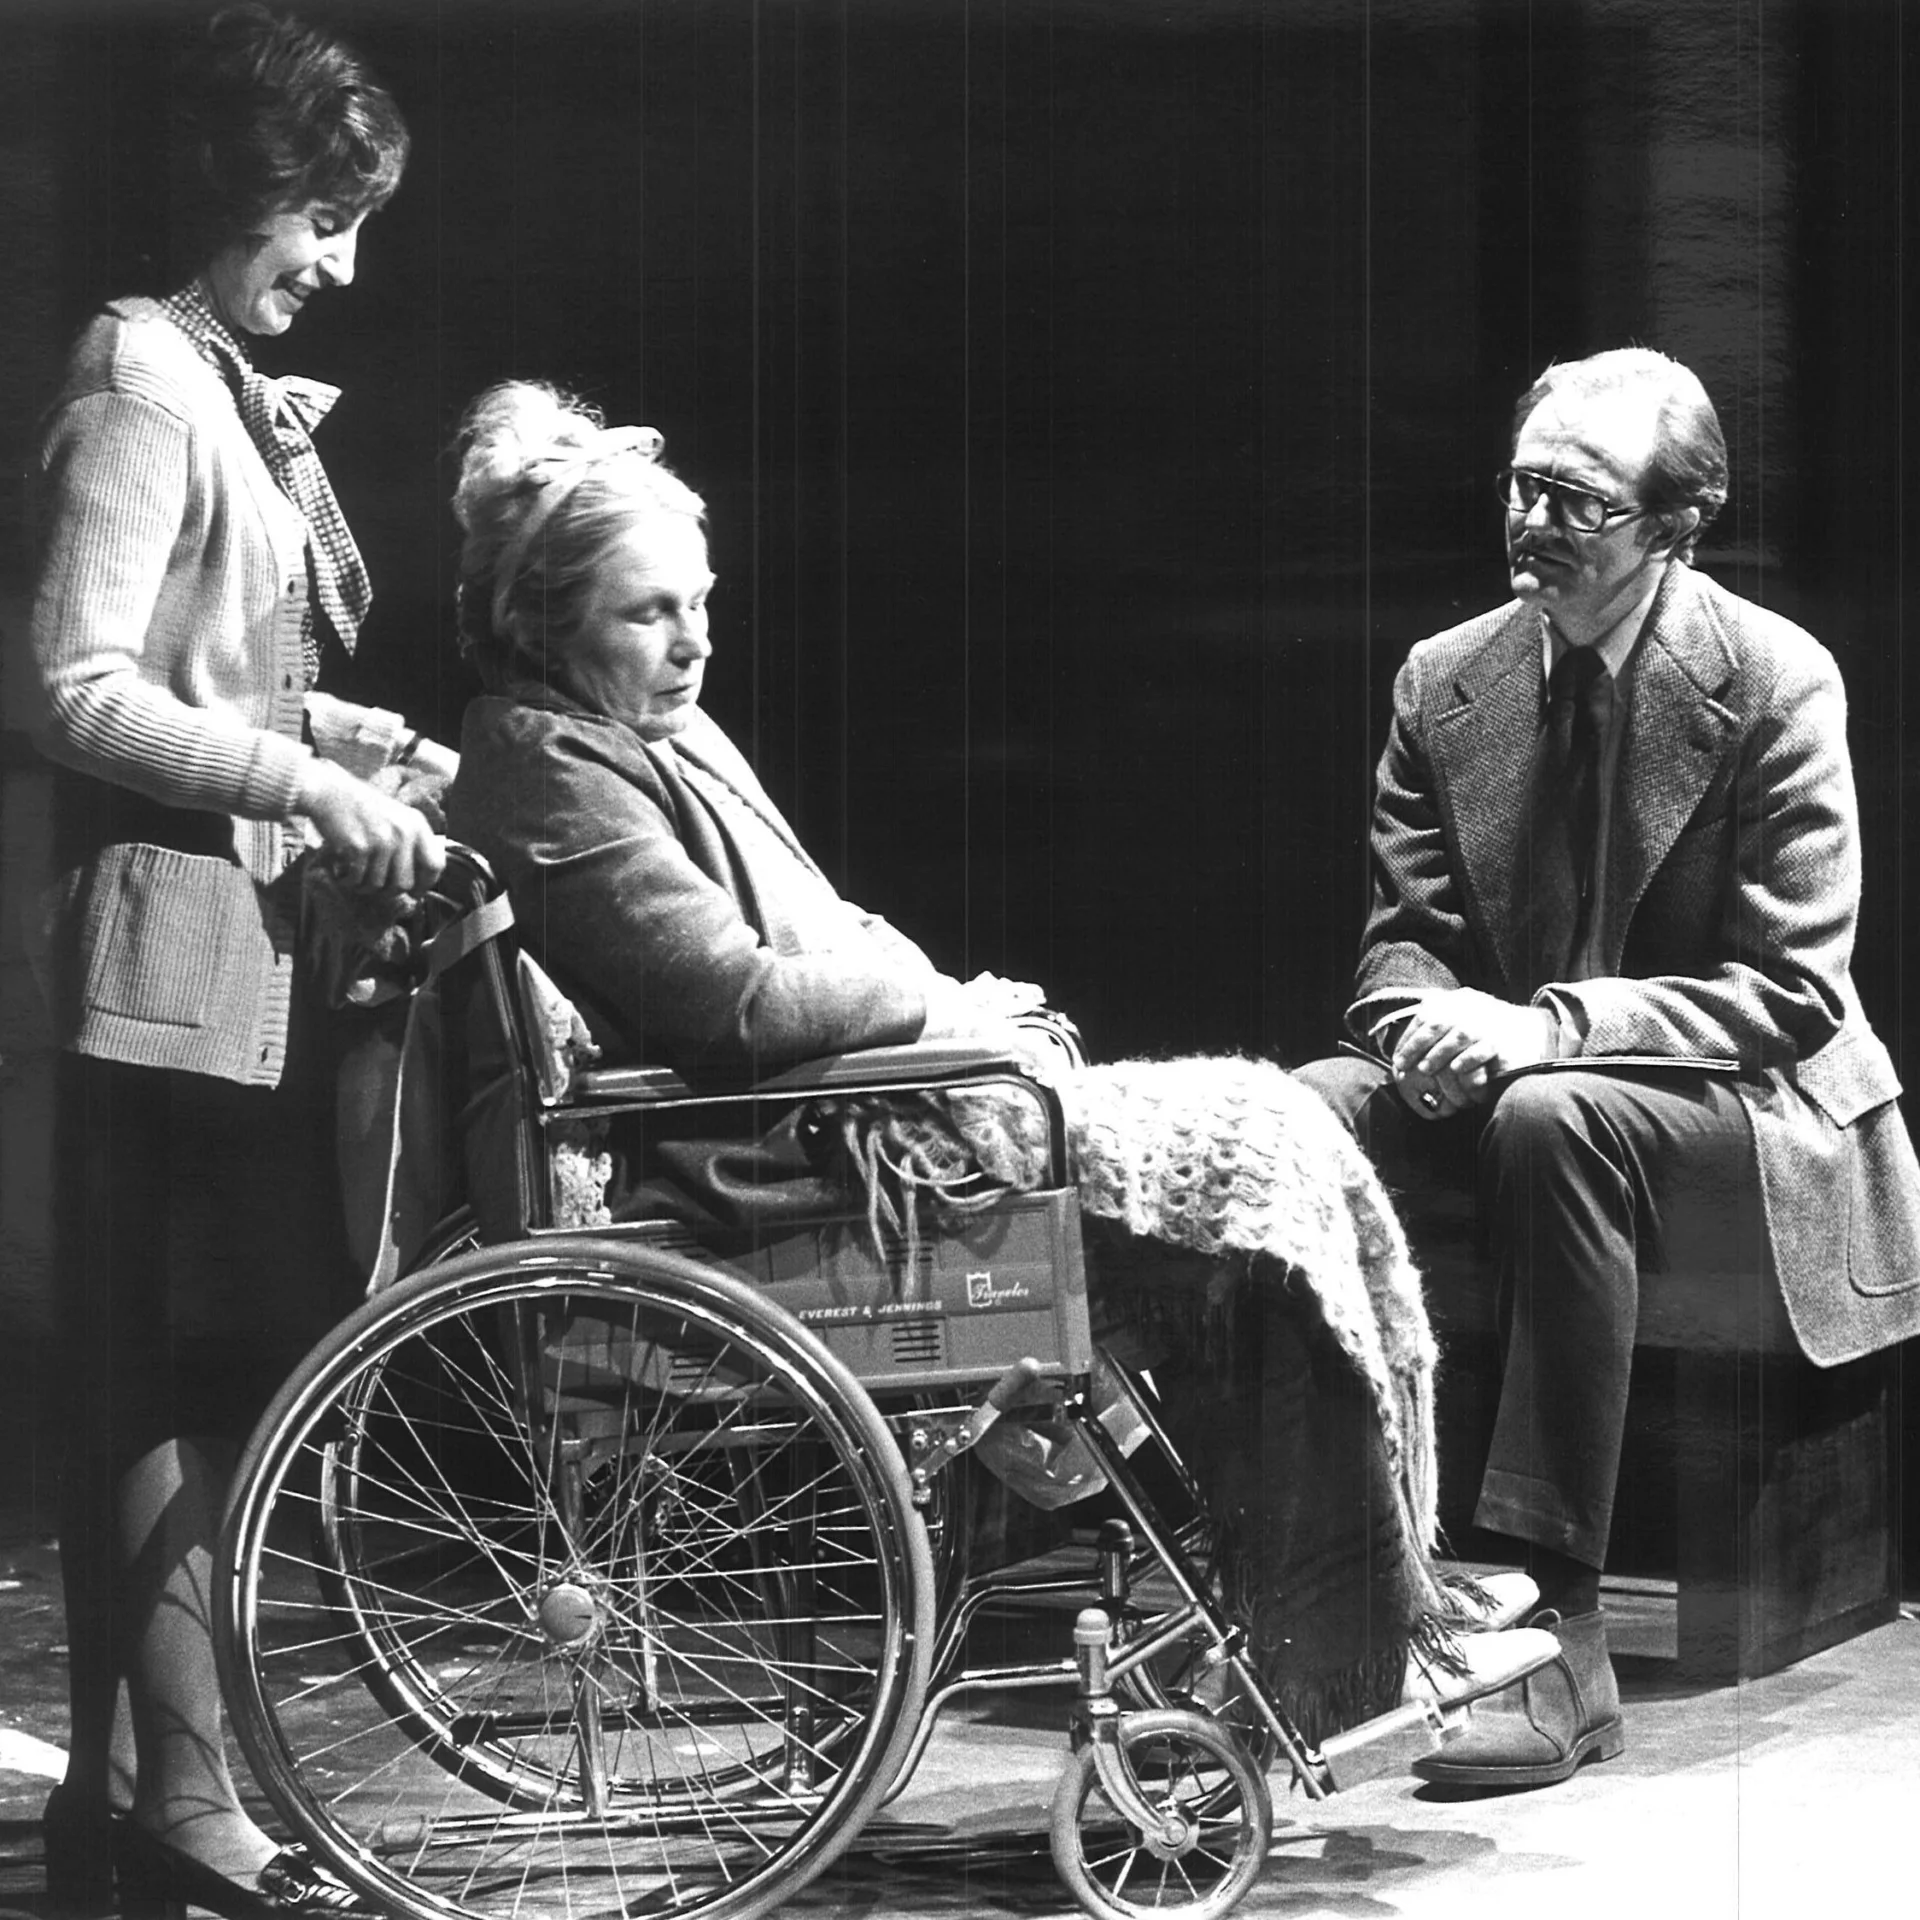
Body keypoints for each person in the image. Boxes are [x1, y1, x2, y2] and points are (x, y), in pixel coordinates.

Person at [444, 378, 1561, 1755]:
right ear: (548, 620)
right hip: (783, 1175)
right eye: (648, 613)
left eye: (701, 602)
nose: (692, 642)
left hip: (854, 1119)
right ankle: (1335, 1642)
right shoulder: (542, 764)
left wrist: (945, 1010)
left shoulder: (641, 730)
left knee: (1278, 1134)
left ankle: (1361, 1604)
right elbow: (726, 1004)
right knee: (1250, 1209)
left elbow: (821, 936)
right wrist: (944, 1014)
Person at [1295, 347, 1920, 1790]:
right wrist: (1422, 1036)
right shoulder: (1448, 679)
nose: (1531, 525)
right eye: (1521, 488)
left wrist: (1540, 1030)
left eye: (1574, 501)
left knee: (1556, 1119)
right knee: (1315, 1112)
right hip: (1526, 1092)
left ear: (1673, 524)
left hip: (1753, 1124)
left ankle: (1556, 1640)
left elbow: (1792, 994)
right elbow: (1400, 952)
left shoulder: (1772, 679)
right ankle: (1315, 1592)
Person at [27, 8, 449, 1912]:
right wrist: (296, 768)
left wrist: (359, 752)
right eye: (323, 220)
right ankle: (186, 1808)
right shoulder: (139, 378)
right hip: (160, 975)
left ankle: (117, 1803)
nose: (339, 266)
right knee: (171, 1378)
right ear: (236, 189)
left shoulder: (203, 374)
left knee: (192, 1375)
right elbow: (72, 687)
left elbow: (220, 666)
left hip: (237, 964)